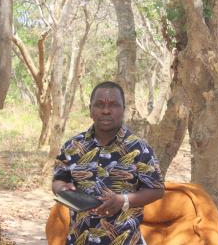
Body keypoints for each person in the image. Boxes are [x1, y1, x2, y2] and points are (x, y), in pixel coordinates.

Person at [52, 81, 165, 245]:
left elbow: (156, 190)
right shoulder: (72, 146)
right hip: (78, 239)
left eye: (113, 105)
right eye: (99, 105)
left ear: (123, 109)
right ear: (91, 110)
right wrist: (62, 189)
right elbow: (58, 179)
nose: (106, 111)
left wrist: (124, 200)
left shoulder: (140, 149)